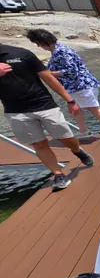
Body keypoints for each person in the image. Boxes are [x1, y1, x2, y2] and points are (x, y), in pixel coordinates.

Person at [0, 42, 94, 191]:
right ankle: (58, 174)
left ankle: (77, 151)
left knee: (66, 138)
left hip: (44, 104)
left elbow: (48, 78)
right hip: (15, 111)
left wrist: (69, 100)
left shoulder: (22, 53)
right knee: (38, 144)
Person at [26, 29, 100, 140]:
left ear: (44, 42)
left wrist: (48, 74)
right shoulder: (57, 50)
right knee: (75, 109)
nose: (39, 47)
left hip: (82, 85)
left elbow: (72, 71)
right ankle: (83, 131)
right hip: (74, 87)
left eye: (38, 44)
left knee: (93, 108)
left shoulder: (62, 51)